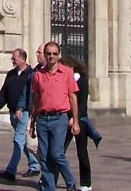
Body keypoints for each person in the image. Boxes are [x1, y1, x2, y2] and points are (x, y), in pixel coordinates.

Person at [29, 41, 79, 191]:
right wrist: (33, 122)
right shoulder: (38, 75)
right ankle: (49, 188)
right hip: (43, 119)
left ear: (58, 55)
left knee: (57, 154)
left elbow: (73, 98)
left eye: (54, 54)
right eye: (49, 53)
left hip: (59, 118)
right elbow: (36, 99)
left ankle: (70, 181)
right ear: (44, 55)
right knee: (44, 157)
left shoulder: (67, 73)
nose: (51, 56)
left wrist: (75, 121)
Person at [0, 48, 39, 182]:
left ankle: (11, 171)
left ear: (22, 59)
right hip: (12, 112)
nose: (12, 60)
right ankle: (35, 165)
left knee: (18, 139)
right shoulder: (11, 74)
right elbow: (4, 92)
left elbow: (31, 95)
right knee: (23, 141)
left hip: (24, 112)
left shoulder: (31, 74)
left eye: (14, 58)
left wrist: (26, 109)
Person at [60, 56, 96, 191]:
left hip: (80, 119)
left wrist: (75, 119)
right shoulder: (63, 80)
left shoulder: (81, 80)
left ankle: (86, 183)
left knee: (82, 152)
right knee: (59, 152)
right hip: (65, 118)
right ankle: (50, 178)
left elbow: (82, 104)